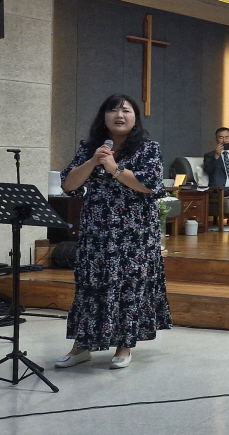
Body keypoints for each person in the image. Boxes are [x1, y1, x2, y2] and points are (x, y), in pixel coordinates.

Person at [56, 94, 171, 370]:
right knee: (91, 286)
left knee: (129, 287)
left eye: (126, 111)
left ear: (135, 118)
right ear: (104, 117)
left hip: (134, 233)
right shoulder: (90, 148)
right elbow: (69, 185)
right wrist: (93, 161)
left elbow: (150, 185)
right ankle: (81, 346)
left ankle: (124, 345)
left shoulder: (147, 148)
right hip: (97, 231)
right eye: (113, 110)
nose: (119, 115)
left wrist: (115, 169)